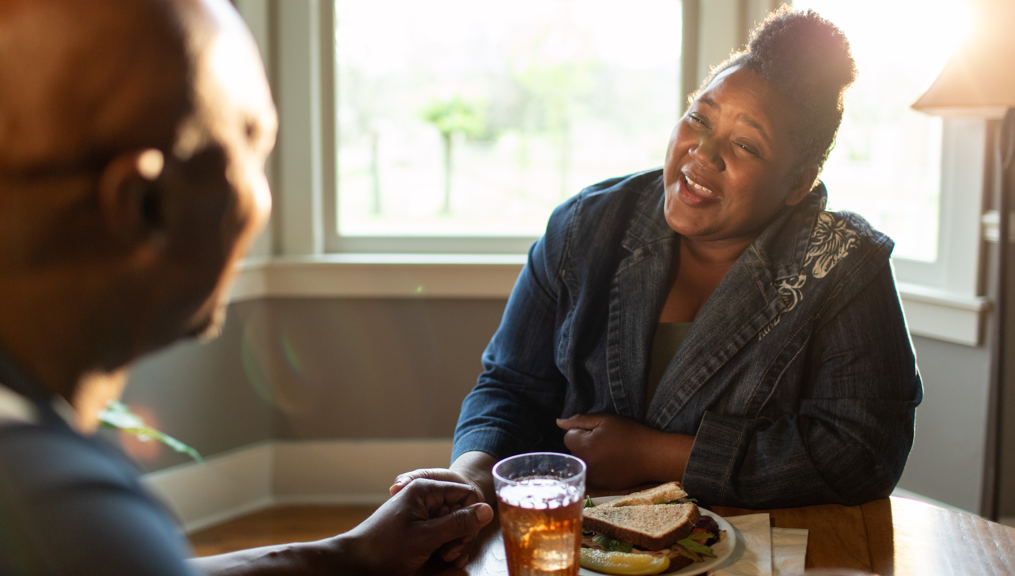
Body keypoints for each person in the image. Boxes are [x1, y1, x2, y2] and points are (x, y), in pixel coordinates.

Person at [0, 0, 491, 574]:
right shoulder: (60, 525)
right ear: (143, 207)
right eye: (253, 147)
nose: (264, 203)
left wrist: (348, 555)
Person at [393, 8, 923, 510]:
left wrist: (654, 454)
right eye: (700, 117)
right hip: (588, 540)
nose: (703, 152)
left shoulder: (844, 264)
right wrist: (473, 473)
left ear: (797, 184)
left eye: (746, 145)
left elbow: (863, 453)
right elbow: (512, 385)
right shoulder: (585, 226)